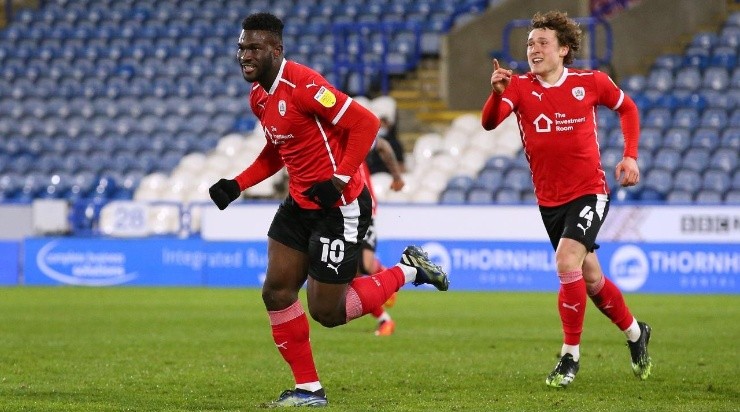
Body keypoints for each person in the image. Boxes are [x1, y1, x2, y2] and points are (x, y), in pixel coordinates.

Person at [208, 13, 449, 407]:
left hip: (340, 206)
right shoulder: (259, 97)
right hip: (299, 203)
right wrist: (238, 184)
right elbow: (278, 149)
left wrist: (338, 178)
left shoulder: (304, 85)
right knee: (276, 292)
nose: (244, 55)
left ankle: (409, 268)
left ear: (276, 50)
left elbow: (366, 124)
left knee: (328, 312)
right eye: (241, 47)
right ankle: (309, 389)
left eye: (253, 48)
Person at [480, 10, 652, 388]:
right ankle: (637, 333)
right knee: (589, 277)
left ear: (564, 49)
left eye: (542, 43)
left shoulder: (591, 82)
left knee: (565, 260)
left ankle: (570, 356)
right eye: (530, 44)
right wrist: (495, 94)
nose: (534, 49)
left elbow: (628, 108)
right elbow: (490, 122)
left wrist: (630, 154)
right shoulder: (519, 87)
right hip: (550, 201)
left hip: (590, 190)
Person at [357, 136, 406, 336]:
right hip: (339, 213)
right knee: (352, 278)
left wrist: (397, 176)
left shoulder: (349, 130)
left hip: (362, 209)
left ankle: (387, 280)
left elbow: (383, 145)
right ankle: (385, 320)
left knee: (364, 266)